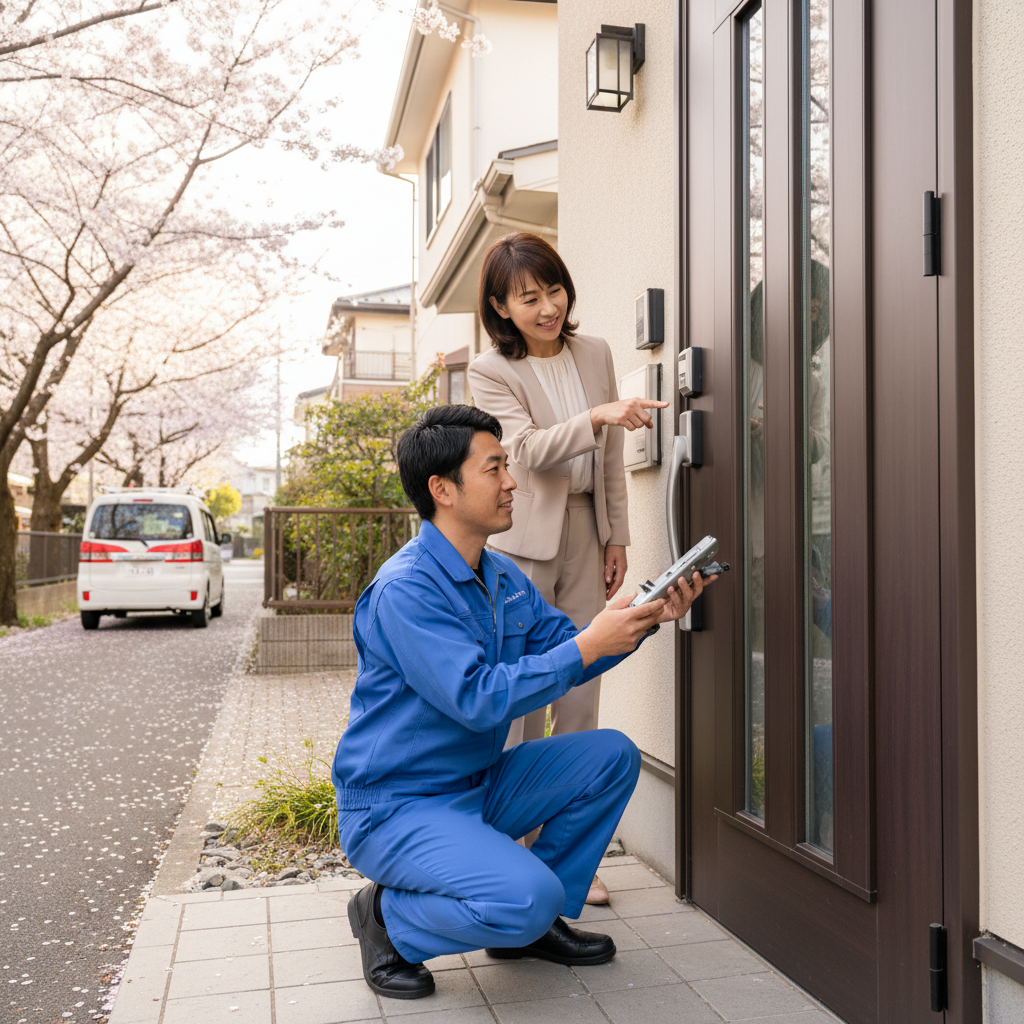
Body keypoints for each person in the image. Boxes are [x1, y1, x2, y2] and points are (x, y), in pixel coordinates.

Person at [334, 405, 714, 1000]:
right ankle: (387, 919)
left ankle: (528, 931)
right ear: (442, 490)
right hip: (398, 806)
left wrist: (640, 620)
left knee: (611, 755)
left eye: (506, 466)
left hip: (479, 785)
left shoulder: (501, 575)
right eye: (494, 469)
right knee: (525, 897)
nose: (511, 482)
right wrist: (589, 643)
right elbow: (478, 700)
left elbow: (570, 649)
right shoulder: (405, 591)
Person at [468, 232, 667, 905]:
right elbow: (523, 450)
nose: (548, 307)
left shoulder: (596, 352)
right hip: (521, 542)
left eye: (554, 290)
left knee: (583, 689)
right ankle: (513, 850)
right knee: (524, 697)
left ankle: (571, 854)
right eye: (529, 298)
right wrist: (598, 415)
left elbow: (608, 460)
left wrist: (617, 535)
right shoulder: (490, 370)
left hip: (587, 529)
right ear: (501, 307)